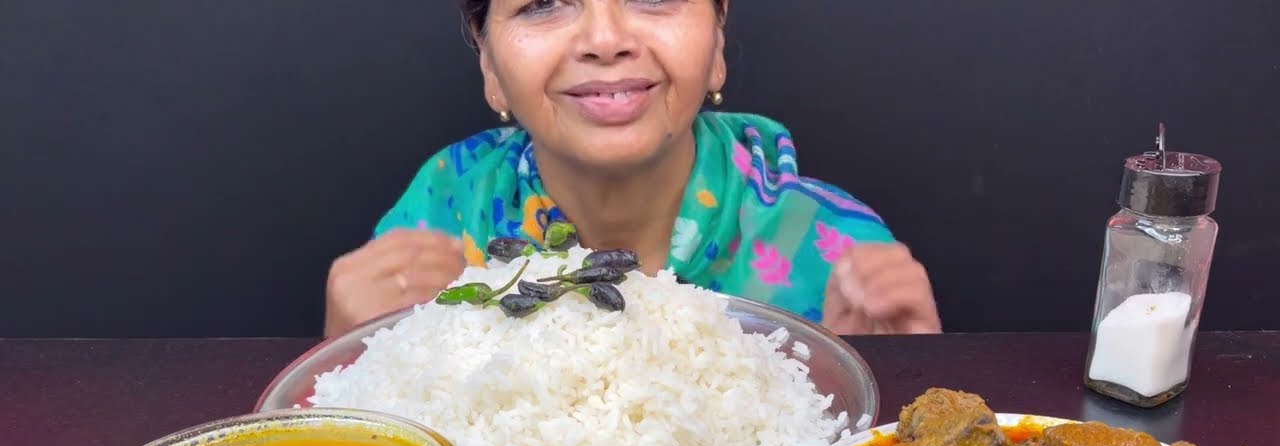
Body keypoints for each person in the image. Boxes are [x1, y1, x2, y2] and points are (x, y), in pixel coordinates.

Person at [324, 0, 940, 338]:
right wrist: (341, 352)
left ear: (719, 40)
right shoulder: (440, 209)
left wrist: (905, 378)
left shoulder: (834, 250)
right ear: (489, 65)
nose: (606, 37)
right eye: (543, 4)